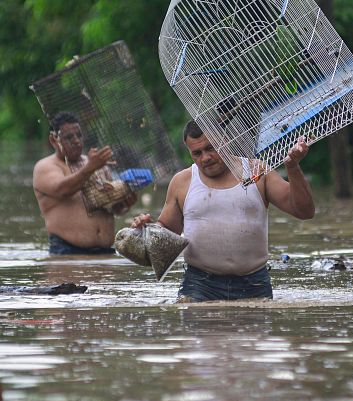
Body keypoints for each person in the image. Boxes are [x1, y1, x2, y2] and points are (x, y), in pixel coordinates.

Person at [131, 120, 315, 301]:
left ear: (225, 142)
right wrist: (146, 231)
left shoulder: (257, 171)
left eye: (211, 148)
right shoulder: (182, 181)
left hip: (254, 283)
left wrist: (293, 168)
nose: (205, 158)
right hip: (199, 284)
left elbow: (304, 211)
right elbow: (167, 233)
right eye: (197, 153)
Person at [33, 111, 135, 255]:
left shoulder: (95, 163)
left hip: (106, 252)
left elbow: (112, 207)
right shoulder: (46, 167)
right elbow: (63, 189)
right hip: (67, 253)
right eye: (69, 137)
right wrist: (91, 168)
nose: (76, 141)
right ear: (53, 140)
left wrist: (124, 204)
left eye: (79, 135)